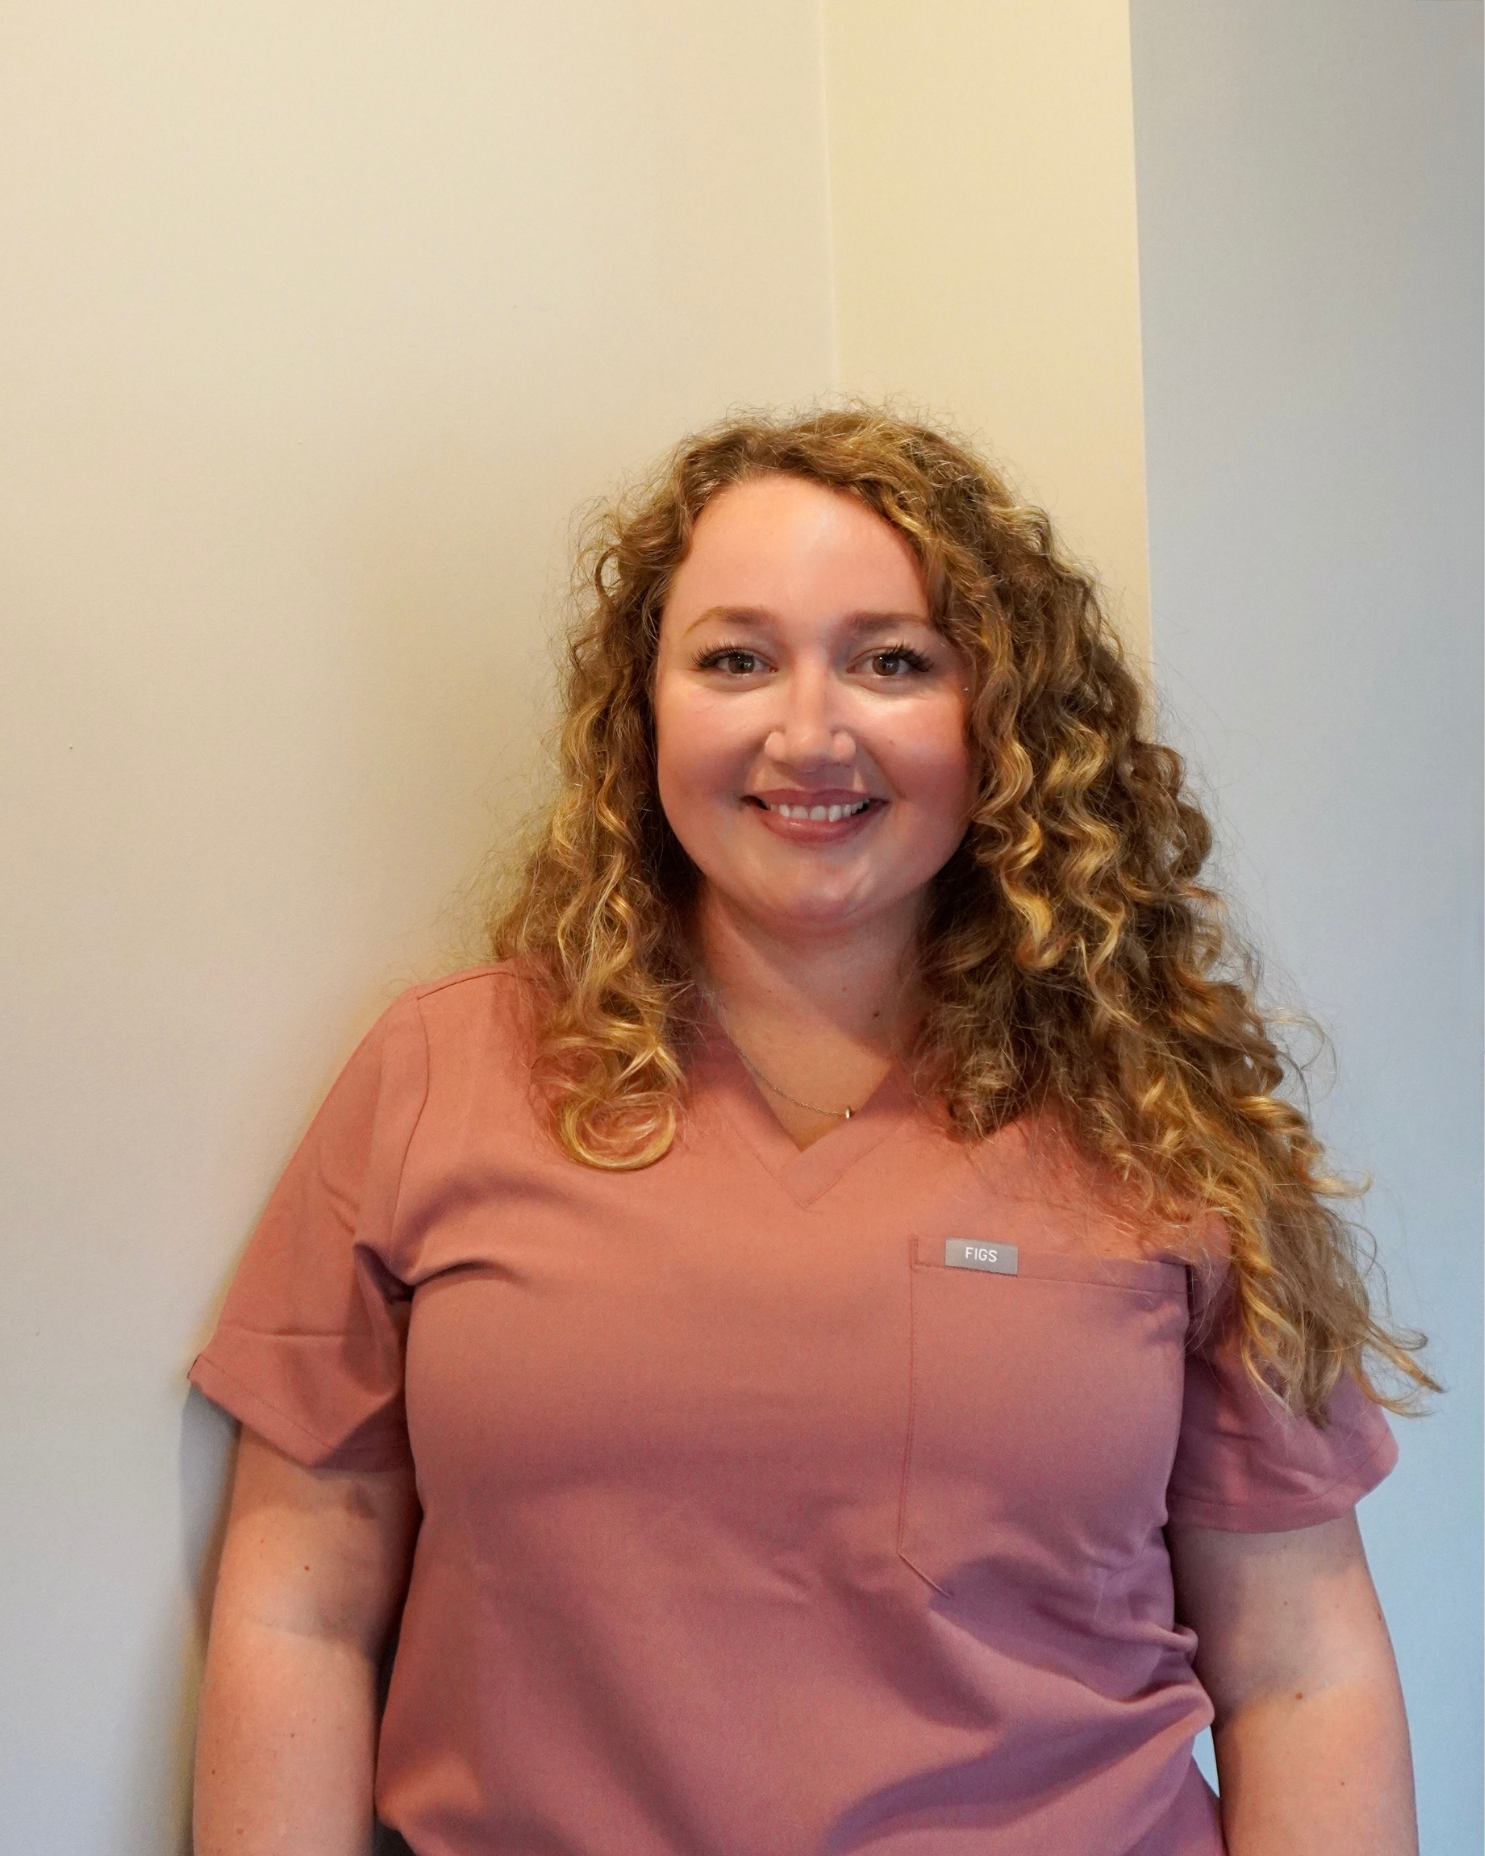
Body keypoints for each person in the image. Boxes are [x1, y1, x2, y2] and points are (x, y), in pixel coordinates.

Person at [188, 407, 1431, 1856]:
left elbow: (1301, 1669)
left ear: (1002, 718)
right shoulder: (438, 1075)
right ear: (644, 710)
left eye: (893, 661)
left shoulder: (1154, 1115)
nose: (810, 732)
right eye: (735, 660)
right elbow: (298, 1606)